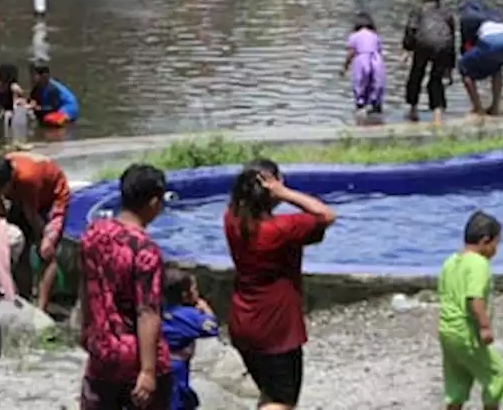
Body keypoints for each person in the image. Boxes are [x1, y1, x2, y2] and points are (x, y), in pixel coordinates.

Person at [224, 159, 335, 410]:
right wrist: (284, 193)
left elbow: (238, 201)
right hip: (277, 328)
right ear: (271, 188)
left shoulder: (232, 221)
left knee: (269, 391)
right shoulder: (281, 230)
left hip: (243, 322)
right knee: (283, 401)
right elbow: (326, 215)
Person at [78, 164, 172, 410]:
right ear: (153, 202)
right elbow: (147, 311)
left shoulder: (93, 234)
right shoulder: (145, 250)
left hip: (102, 351)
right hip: (135, 357)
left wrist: (85, 327)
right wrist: (148, 371)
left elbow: (88, 286)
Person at [0, 151, 71, 315]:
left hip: (52, 197)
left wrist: (43, 238)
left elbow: (32, 216)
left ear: (10, 180)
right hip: (22, 199)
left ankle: (41, 310)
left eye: (2, 191)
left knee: (46, 250)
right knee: (18, 247)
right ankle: (25, 297)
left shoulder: (28, 177)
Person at [438, 211, 503, 410]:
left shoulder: (450, 262)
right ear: (485, 241)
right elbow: (474, 298)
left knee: (457, 379)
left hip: (447, 330)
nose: (496, 250)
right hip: (467, 331)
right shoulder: (479, 264)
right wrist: (485, 327)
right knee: (495, 374)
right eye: (496, 244)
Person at [161, 268, 219, 410]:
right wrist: (205, 308)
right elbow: (212, 328)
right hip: (177, 367)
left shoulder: (159, 310)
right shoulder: (188, 316)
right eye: (194, 288)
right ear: (185, 295)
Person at [402, 0, 457, 126]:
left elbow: (411, 29)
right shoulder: (447, 13)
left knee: (416, 74)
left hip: (423, 44)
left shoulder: (418, 11)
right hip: (444, 45)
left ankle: (413, 110)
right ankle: (437, 115)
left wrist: (407, 49)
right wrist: (450, 67)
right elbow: (452, 37)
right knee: (436, 79)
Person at [457, 0, 503, 117]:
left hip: (493, 41)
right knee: (497, 66)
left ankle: (478, 108)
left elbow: (466, 45)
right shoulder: (494, 14)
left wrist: (470, 65)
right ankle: (495, 107)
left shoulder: (467, 16)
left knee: (463, 68)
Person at [343, 11, 385, 123]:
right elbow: (379, 52)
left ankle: (360, 113)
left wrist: (345, 67)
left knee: (360, 86)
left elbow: (350, 53)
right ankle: (376, 111)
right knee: (376, 86)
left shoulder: (354, 36)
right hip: (376, 61)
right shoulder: (375, 36)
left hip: (361, 61)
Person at [28, 62, 80, 126]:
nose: (32, 78)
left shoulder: (52, 88)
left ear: (44, 76)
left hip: (67, 107)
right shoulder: (37, 86)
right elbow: (32, 99)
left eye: (34, 75)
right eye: (31, 75)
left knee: (50, 120)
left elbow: (53, 107)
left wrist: (38, 108)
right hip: (53, 106)